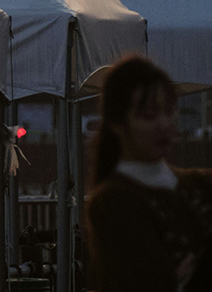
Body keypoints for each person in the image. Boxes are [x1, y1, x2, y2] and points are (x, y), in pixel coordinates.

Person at [87, 54, 212, 291]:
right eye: (149, 115)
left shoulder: (200, 184)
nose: (163, 124)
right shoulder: (112, 201)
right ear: (117, 123)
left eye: (168, 112)